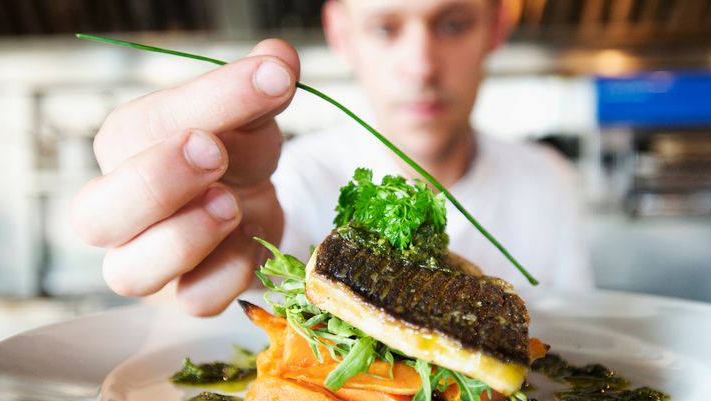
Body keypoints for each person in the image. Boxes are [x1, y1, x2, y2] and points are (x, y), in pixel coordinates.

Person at [71, 0, 593, 318]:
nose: (420, 67)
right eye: (386, 28)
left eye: (452, 24)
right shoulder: (287, 182)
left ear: (497, 27)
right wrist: (187, 257)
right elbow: (207, 313)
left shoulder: (550, 181)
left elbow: (581, 337)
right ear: (341, 33)